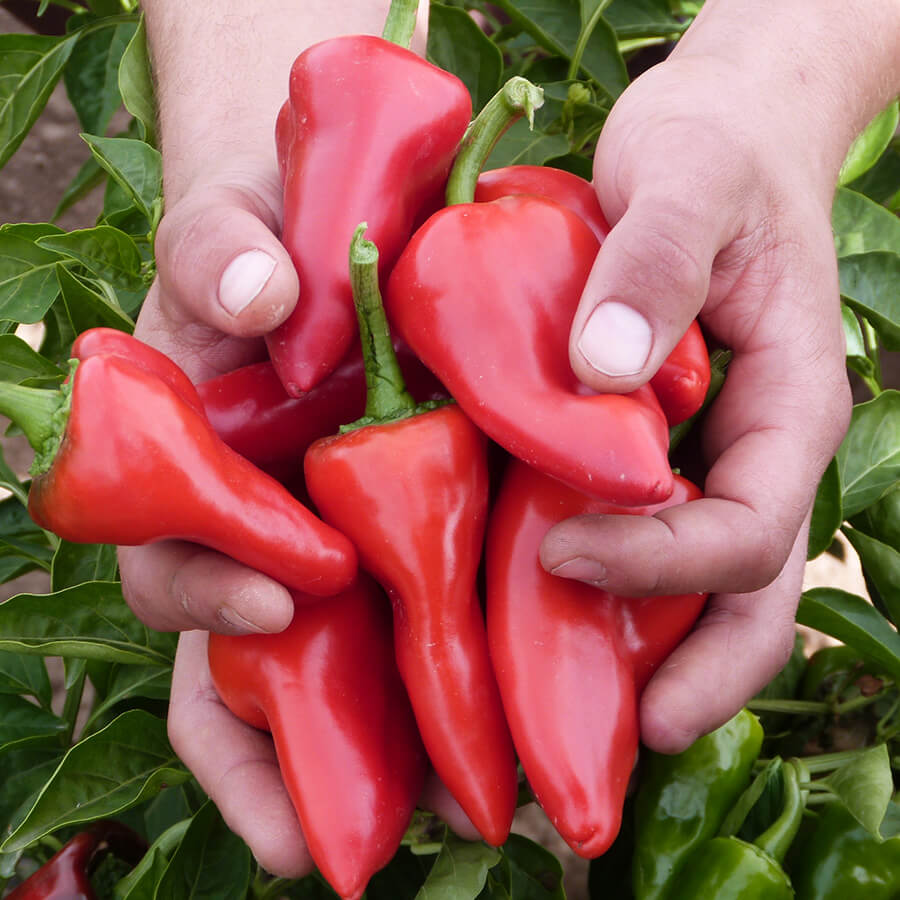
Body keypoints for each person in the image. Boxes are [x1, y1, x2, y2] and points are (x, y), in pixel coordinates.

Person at [128, 0, 899, 877]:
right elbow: (303, 368)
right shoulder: (523, 240)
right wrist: (239, 154)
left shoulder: (523, 233)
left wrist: (768, 93)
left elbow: (617, 412)